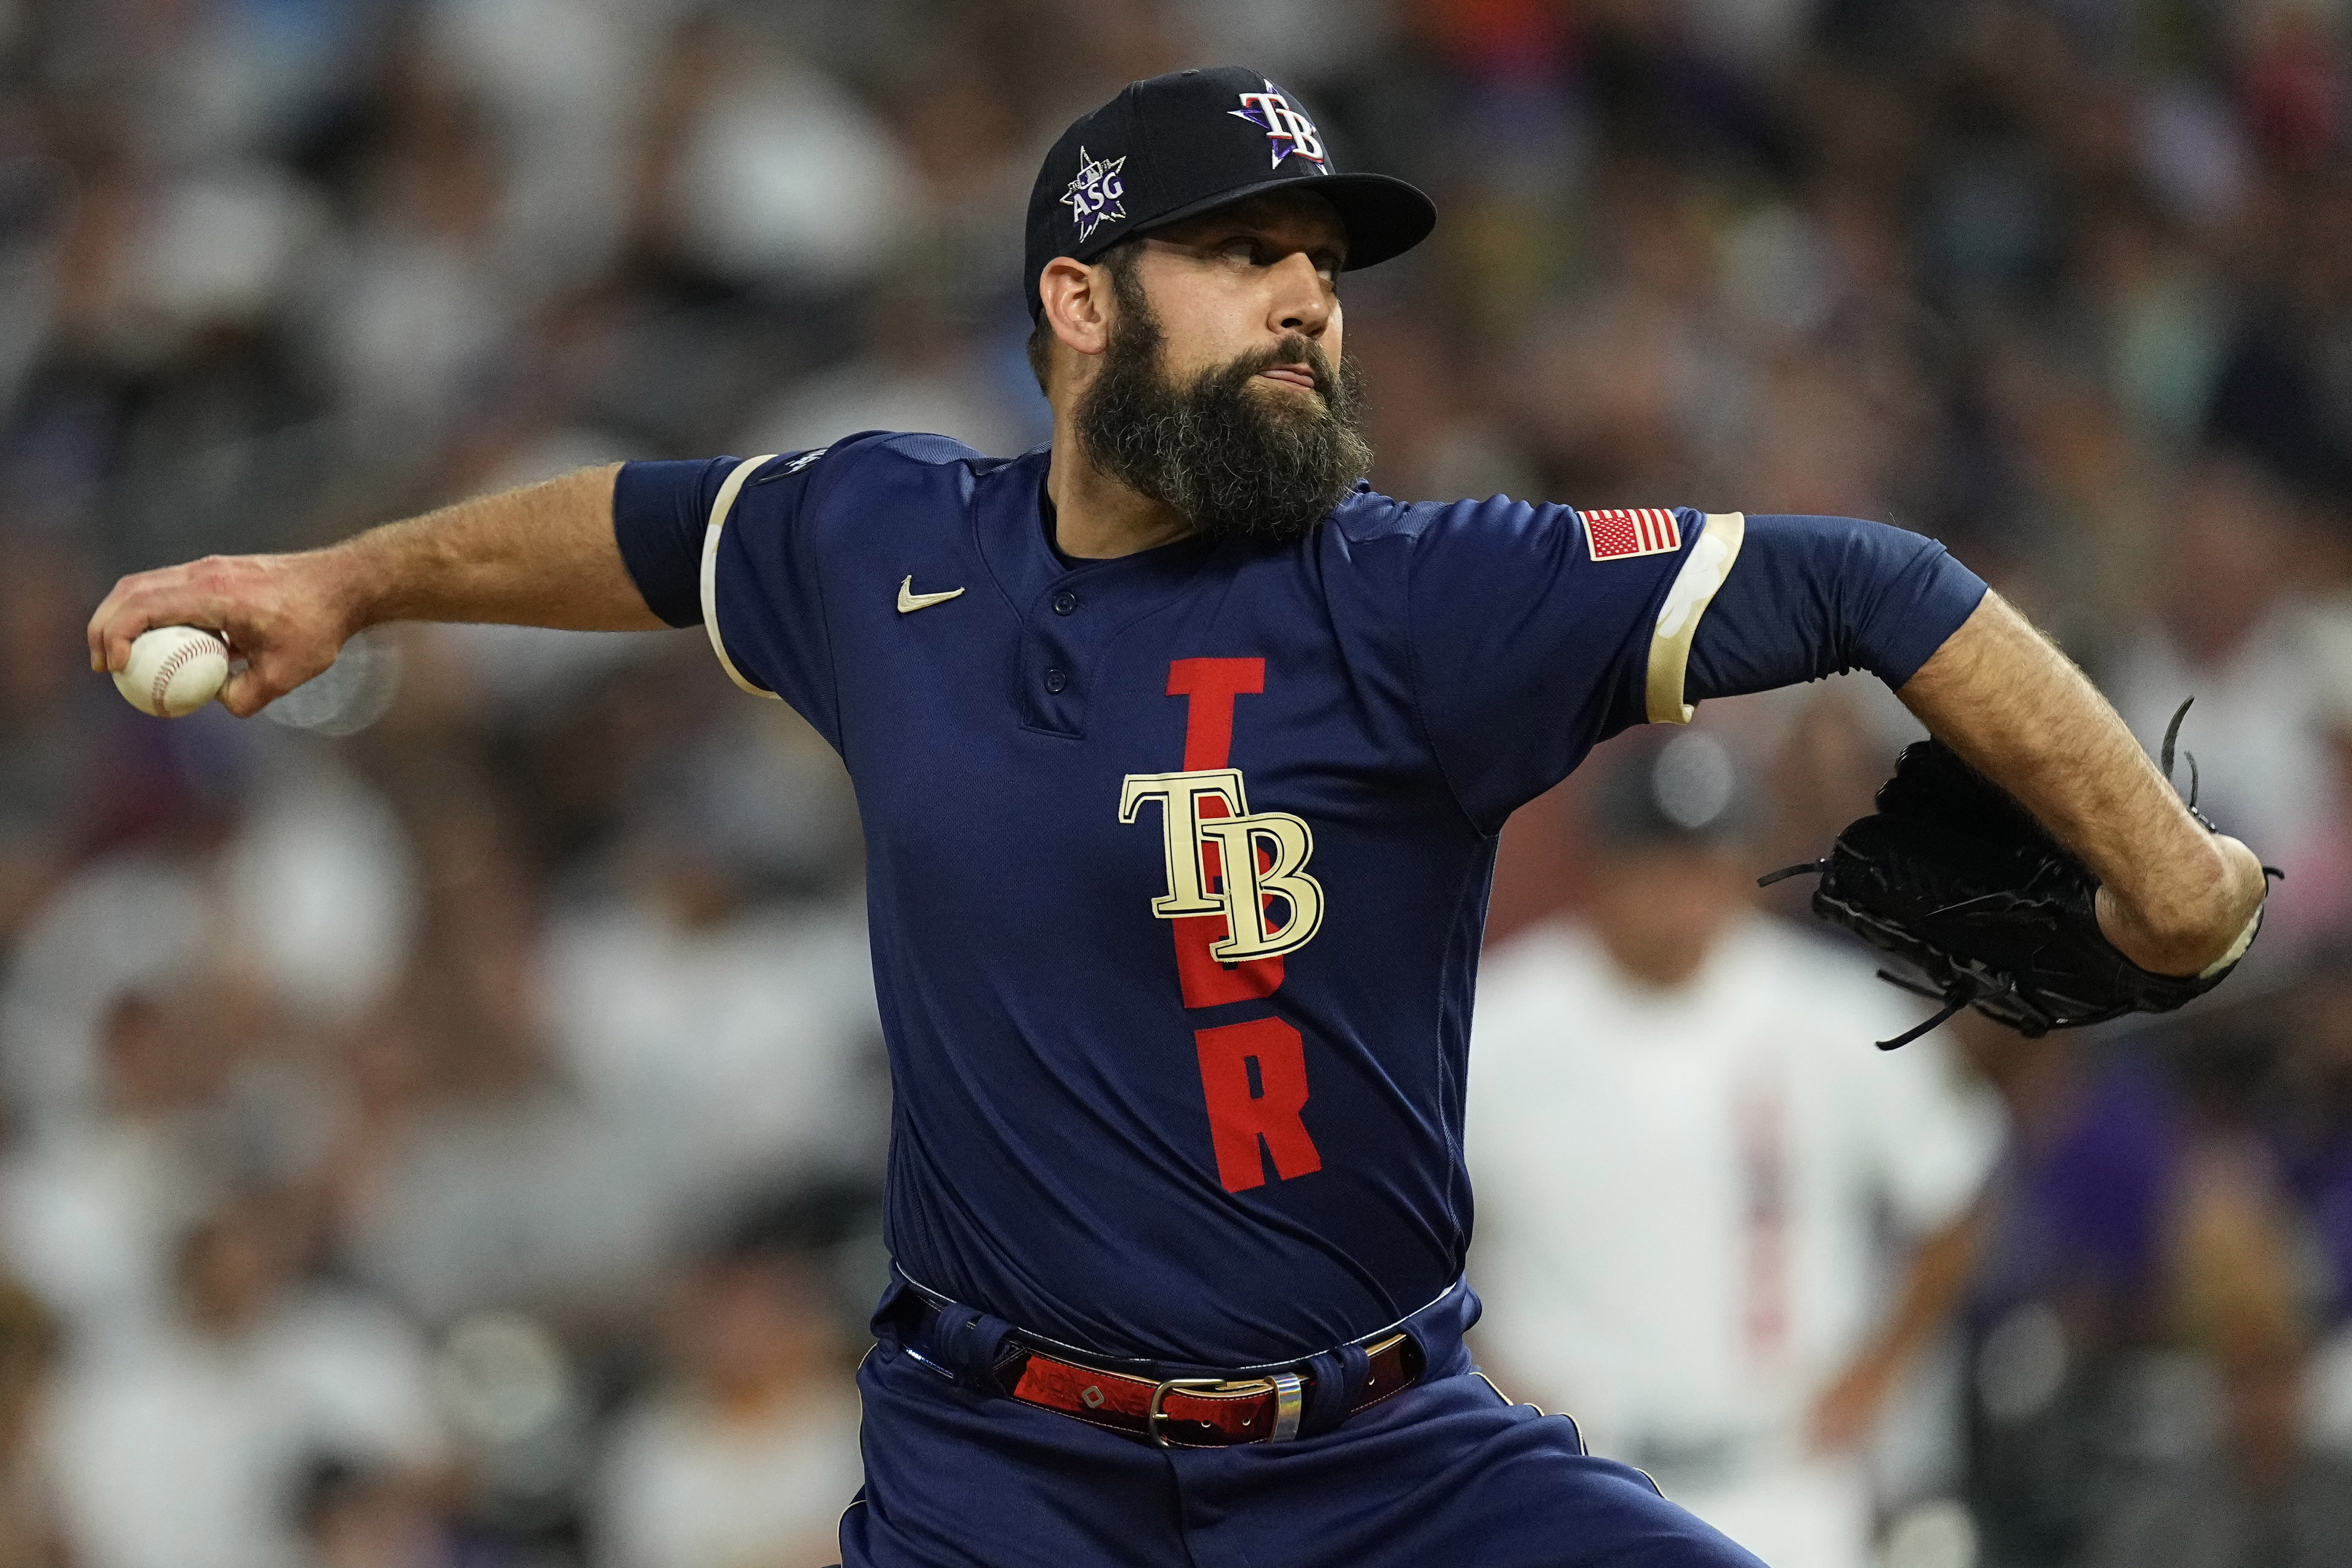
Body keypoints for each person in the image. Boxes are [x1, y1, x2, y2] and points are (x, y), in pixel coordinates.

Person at [88, 65, 2269, 1568]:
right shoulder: (885, 551)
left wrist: (2163, 880)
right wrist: (346, 577)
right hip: (998, 1470)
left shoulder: (1421, 595)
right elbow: (642, 532)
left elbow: (1875, 583)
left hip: (1386, 1465)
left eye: (1323, 260)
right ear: (1077, 302)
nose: (1311, 296)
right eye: (1241, 255)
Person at [1468, 733, 1999, 1568]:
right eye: (1659, 858)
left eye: (1708, 855)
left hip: (1784, 1477)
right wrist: (1482, 1378)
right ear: (1603, 864)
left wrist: (1875, 1370)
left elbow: (1957, 1184)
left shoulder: (1829, 1012)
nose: (1687, 885)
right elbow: (1406, 1244)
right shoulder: (1495, 1032)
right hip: (1576, 1470)